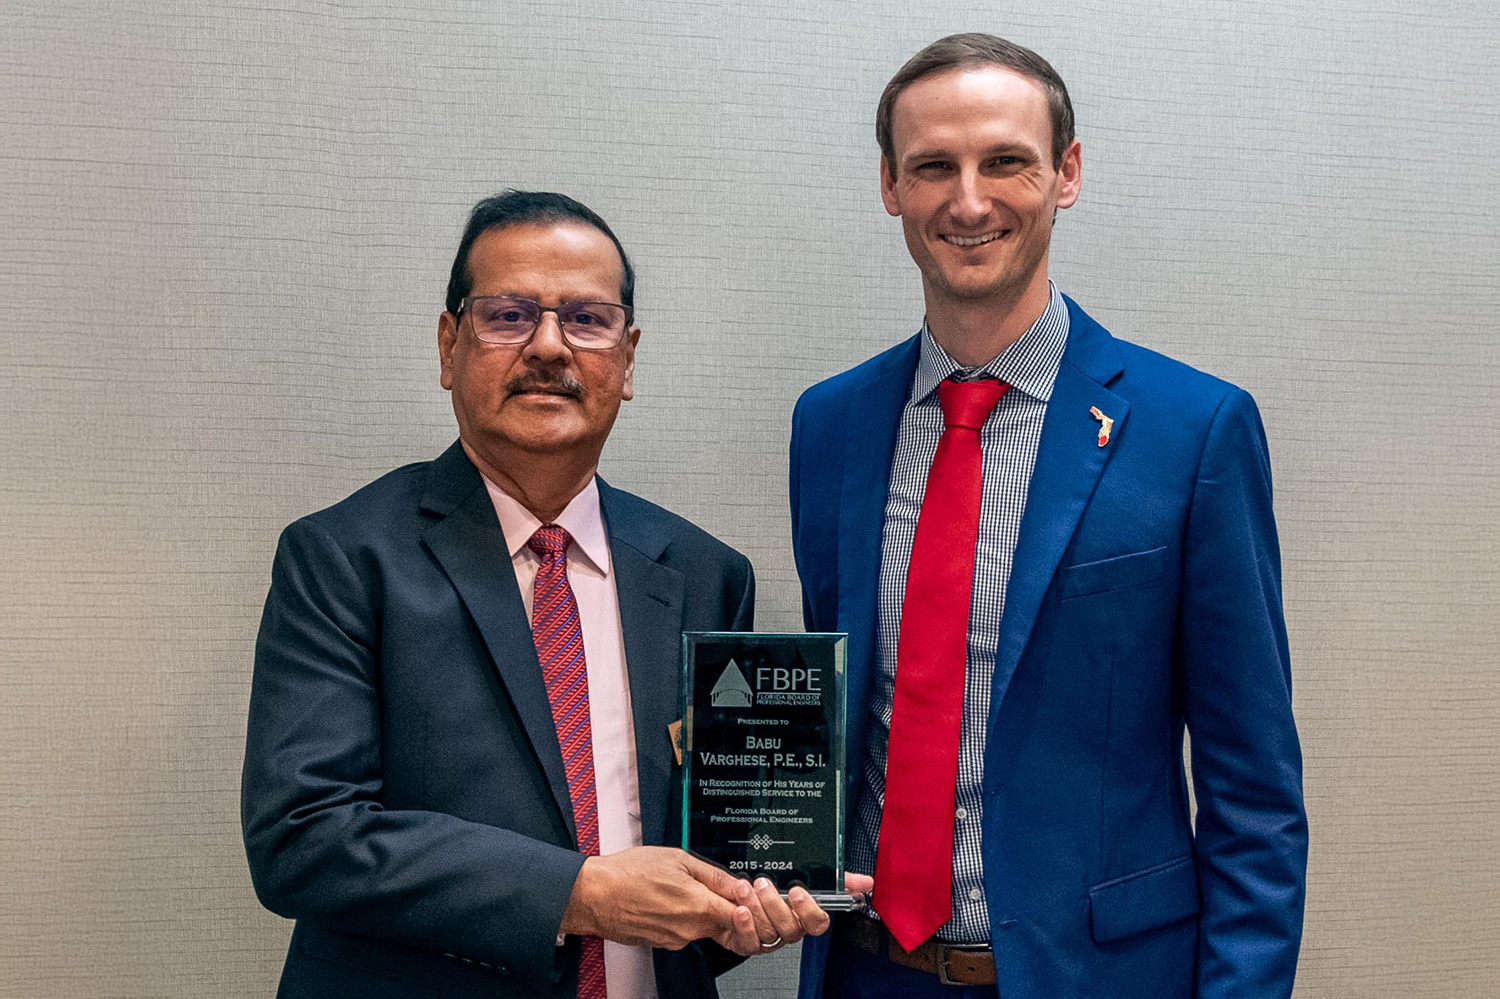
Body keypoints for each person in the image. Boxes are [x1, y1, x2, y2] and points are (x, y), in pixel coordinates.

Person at [789, 34, 1308, 999]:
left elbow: (1255, 796)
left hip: (1096, 977)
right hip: (864, 974)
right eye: (934, 166)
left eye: (1007, 161)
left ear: (1066, 174)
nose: (970, 199)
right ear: (891, 187)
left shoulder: (1193, 430)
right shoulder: (832, 425)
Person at [243, 190, 838, 999]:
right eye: (510, 315)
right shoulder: (344, 557)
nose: (550, 346)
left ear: (627, 360)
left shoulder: (704, 573)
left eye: (587, 320)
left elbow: (702, 863)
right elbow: (304, 837)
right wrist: (581, 892)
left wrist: (745, 906)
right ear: (450, 345)